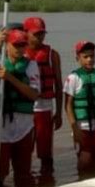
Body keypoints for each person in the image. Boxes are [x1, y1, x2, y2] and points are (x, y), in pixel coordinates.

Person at [0, 29, 40, 187]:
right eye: (16, 45)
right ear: (8, 46)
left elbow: (33, 94)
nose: (20, 49)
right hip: (1, 124)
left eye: (22, 45)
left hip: (24, 125)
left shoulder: (31, 65)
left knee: (23, 171)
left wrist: (10, 78)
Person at [64, 40, 95, 174]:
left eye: (92, 56)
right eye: (85, 57)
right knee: (85, 159)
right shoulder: (73, 77)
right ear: (77, 58)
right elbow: (68, 105)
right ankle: (82, 181)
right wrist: (74, 128)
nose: (90, 59)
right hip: (81, 126)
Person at [23, 17, 63, 175]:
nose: (39, 37)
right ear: (26, 33)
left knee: (45, 152)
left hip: (44, 108)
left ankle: (47, 181)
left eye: (42, 33)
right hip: (24, 108)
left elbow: (58, 85)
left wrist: (59, 113)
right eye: (35, 33)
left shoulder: (52, 54)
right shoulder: (18, 52)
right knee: (24, 150)